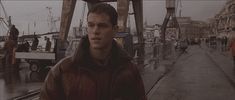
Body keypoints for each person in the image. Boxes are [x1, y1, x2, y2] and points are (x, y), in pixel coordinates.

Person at [40, 3, 146, 100]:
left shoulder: (129, 71)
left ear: (115, 30)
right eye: (91, 25)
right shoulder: (62, 71)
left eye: (102, 26)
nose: (95, 31)